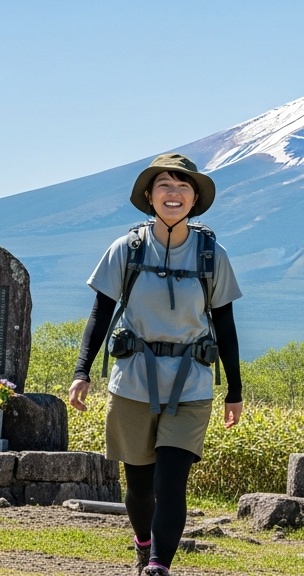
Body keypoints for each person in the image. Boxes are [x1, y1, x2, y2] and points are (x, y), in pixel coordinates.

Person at [68, 154, 243, 576]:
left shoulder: (211, 254)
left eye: (184, 187)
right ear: (149, 196)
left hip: (191, 384)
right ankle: (143, 543)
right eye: (164, 184)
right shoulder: (125, 250)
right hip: (133, 382)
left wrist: (234, 391)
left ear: (195, 199)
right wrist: (81, 371)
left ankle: (158, 566)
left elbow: (225, 323)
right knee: (140, 489)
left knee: (170, 484)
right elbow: (100, 313)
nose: (174, 193)